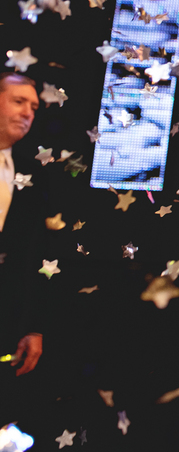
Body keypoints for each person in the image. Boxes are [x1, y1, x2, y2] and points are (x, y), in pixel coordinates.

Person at [0, 73, 46, 425]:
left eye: (33, 106)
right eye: (18, 102)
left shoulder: (30, 174)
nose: (28, 113)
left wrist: (31, 326)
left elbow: (29, 257)